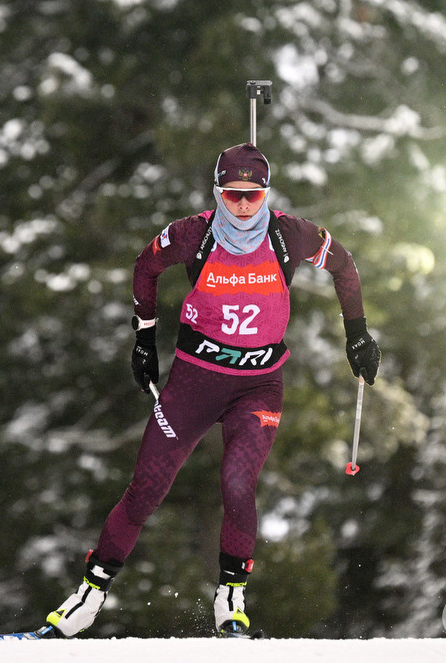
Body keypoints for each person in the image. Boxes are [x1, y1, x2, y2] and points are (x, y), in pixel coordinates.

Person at [38, 142, 380, 638]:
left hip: (259, 384)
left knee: (239, 483)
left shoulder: (291, 234)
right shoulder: (191, 234)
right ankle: (88, 598)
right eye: (233, 193)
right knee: (146, 489)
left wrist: (359, 334)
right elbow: (144, 267)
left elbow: (345, 266)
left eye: (254, 194)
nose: (243, 205)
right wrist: (144, 339)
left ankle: (231, 604)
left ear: (267, 193)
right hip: (195, 381)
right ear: (217, 191)